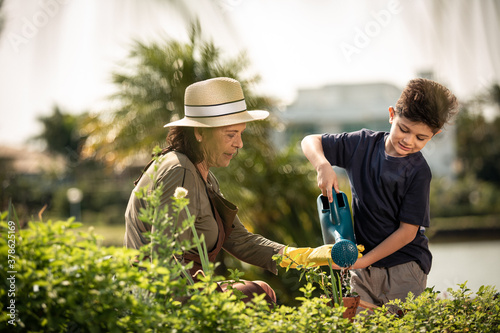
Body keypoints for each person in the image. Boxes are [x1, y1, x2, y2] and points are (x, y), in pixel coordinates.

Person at [125, 77, 333, 305]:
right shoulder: (179, 171)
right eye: (230, 134)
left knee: (260, 290)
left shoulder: (201, 174)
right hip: (162, 300)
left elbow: (240, 240)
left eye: (241, 134)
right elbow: (164, 257)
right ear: (199, 133)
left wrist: (305, 256)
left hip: (186, 290)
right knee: (259, 295)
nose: (239, 144)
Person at [301, 78, 459, 309]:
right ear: (392, 115)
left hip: (404, 268)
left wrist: (362, 261)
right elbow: (310, 141)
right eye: (404, 129)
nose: (408, 140)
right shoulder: (361, 144)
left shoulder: (418, 171)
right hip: (363, 267)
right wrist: (322, 165)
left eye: (420, 137)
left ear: (434, 135)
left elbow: (407, 232)